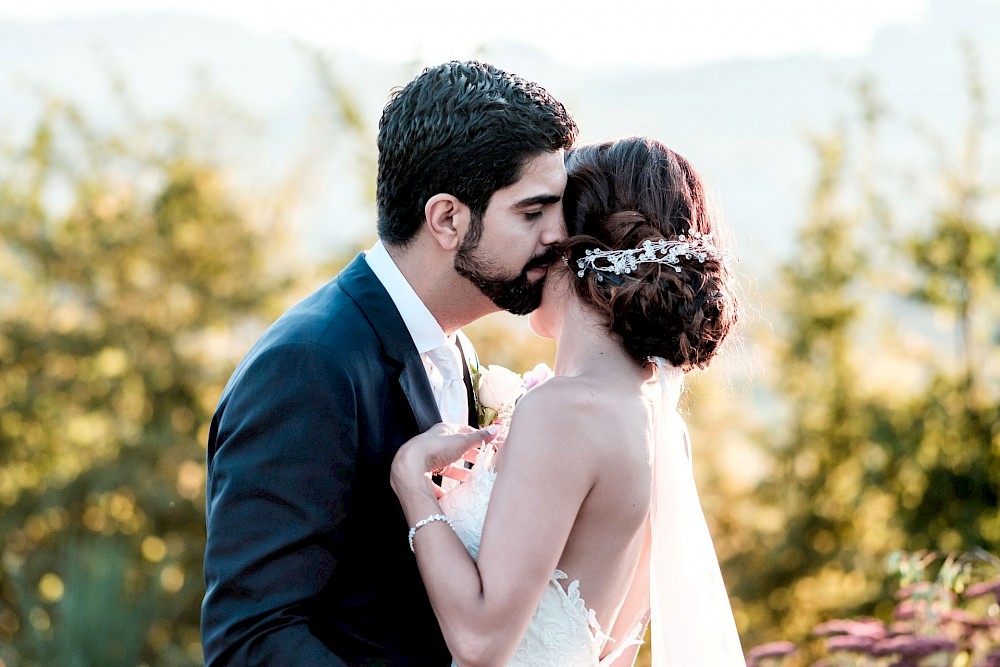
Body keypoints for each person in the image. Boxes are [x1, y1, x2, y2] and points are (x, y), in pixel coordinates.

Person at [201, 60, 578, 665]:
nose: (559, 236)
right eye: (532, 213)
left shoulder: (452, 348)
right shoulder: (308, 367)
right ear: (448, 219)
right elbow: (251, 639)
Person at [390, 136, 747, 666]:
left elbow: (480, 643)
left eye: (542, 217)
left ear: (569, 247)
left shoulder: (562, 412)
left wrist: (411, 482)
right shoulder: (658, 422)